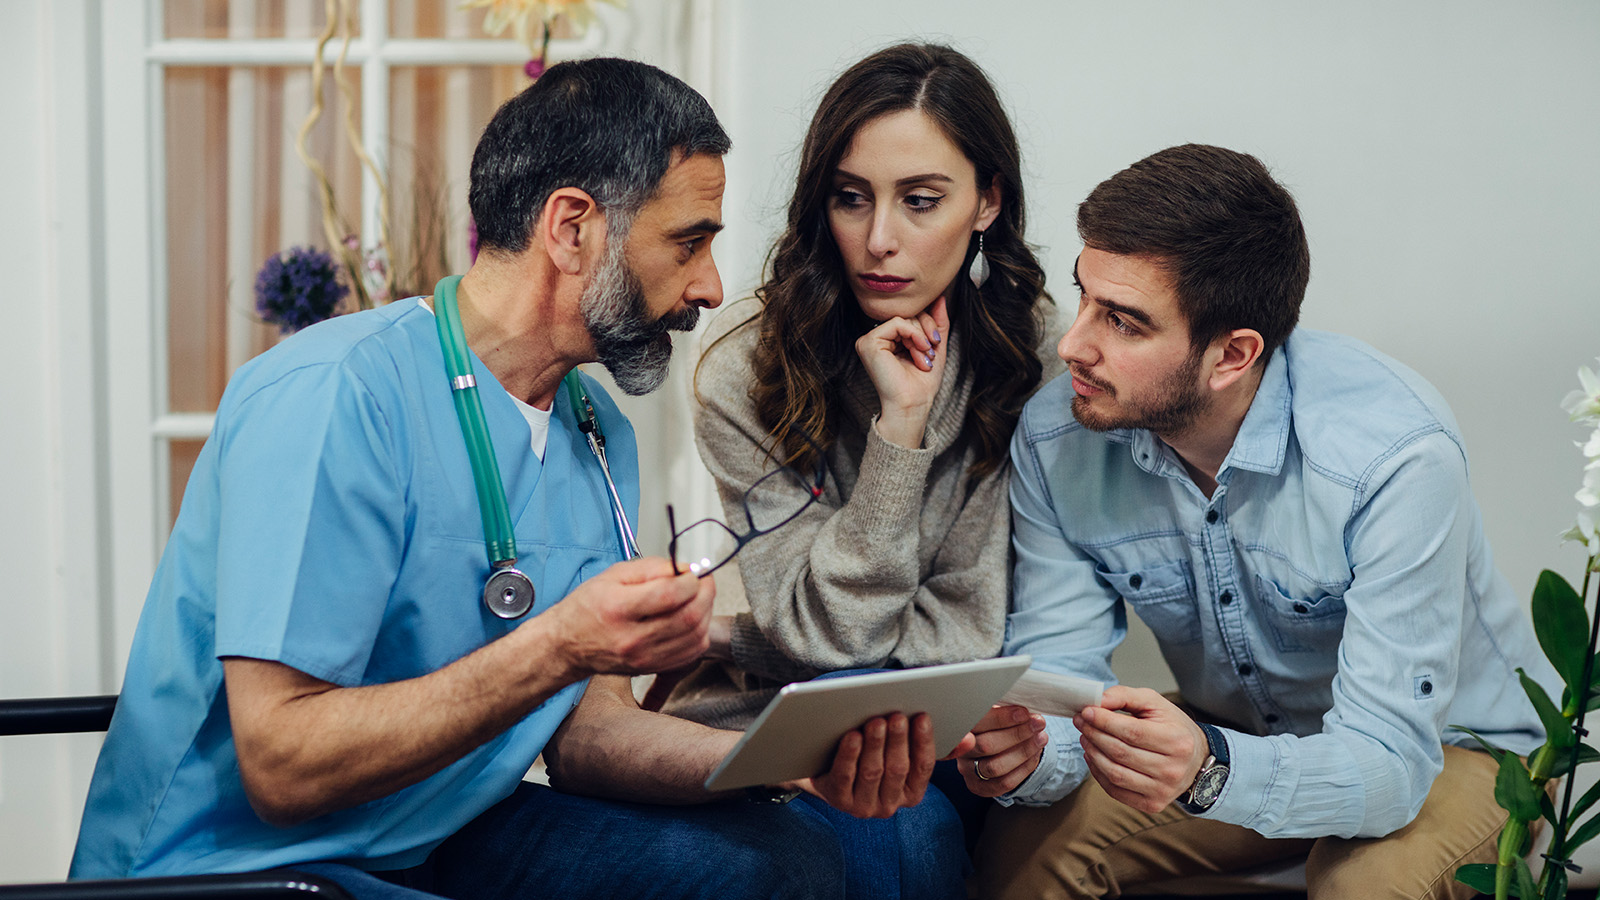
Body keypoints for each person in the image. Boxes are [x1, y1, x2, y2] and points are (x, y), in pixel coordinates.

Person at [68, 58, 957, 900]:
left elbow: (589, 736)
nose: (711, 287)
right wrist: (560, 645)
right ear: (572, 229)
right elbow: (281, 767)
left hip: (437, 831)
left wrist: (784, 765)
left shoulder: (594, 429)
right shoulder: (336, 395)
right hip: (245, 863)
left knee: (779, 861)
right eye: (688, 243)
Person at [959, 144, 1553, 900]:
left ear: (1232, 355)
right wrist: (1032, 754)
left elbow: (1389, 763)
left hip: (1449, 751)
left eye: (1124, 322)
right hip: (1240, 732)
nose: (1073, 344)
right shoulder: (1058, 435)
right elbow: (1062, 670)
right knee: (1027, 849)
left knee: (1365, 886)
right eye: (1085, 296)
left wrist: (1210, 767)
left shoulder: (1393, 456)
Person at [664, 42, 1055, 888]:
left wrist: (734, 635)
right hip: (772, 719)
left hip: (955, 728)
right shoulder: (745, 367)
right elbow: (836, 644)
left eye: (921, 201)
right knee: (900, 833)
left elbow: (964, 637)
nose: (879, 241)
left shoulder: (1038, 359)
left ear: (987, 201)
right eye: (851, 198)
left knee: (926, 821)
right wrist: (900, 432)